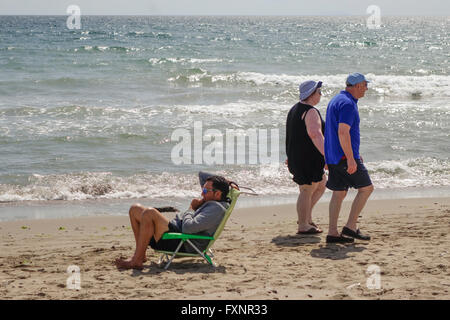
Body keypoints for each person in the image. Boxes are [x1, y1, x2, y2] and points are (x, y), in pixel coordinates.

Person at [115, 172, 230, 270]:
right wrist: (226, 182)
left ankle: (137, 260)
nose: (202, 193)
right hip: (178, 233)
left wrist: (191, 208)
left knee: (150, 213)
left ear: (218, 194)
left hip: (182, 242)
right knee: (134, 209)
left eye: (205, 190)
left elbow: (188, 228)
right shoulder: (212, 200)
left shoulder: (215, 209)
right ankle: (141, 255)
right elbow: (202, 174)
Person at [324, 73, 374, 243]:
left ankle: (332, 233)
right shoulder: (348, 104)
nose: (366, 88)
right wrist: (351, 158)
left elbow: (330, 132)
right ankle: (350, 227)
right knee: (367, 189)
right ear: (357, 85)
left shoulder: (336, 100)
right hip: (344, 157)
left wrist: (328, 156)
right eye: (365, 85)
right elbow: (343, 132)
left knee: (338, 193)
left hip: (334, 156)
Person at [286, 80, 327, 234]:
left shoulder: (295, 109)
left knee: (322, 184)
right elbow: (315, 135)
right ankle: (303, 224)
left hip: (300, 157)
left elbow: (292, 135)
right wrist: (328, 155)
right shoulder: (310, 111)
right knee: (306, 189)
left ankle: (306, 218)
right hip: (306, 158)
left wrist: (290, 155)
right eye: (319, 92)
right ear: (311, 94)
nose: (320, 95)